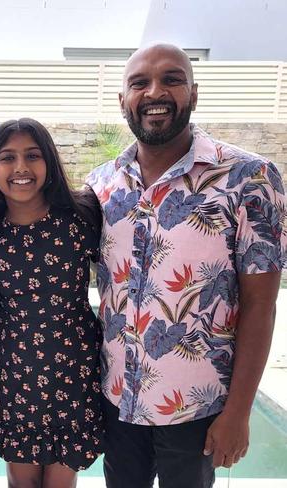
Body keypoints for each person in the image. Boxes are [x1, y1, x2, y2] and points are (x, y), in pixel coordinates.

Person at [85, 43, 286, 488]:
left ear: (193, 92)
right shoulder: (101, 185)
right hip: (117, 400)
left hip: (198, 409)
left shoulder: (250, 178)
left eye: (171, 79)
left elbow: (260, 305)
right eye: (140, 83)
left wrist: (238, 413)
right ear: (123, 101)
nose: (155, 91)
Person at [0, 118, 104, 488]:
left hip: (74, 369)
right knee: (22, 483)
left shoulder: (82, 218)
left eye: (32, 156)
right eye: (7, 158)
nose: (20, 168)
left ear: (48, 162)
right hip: (15, 373)